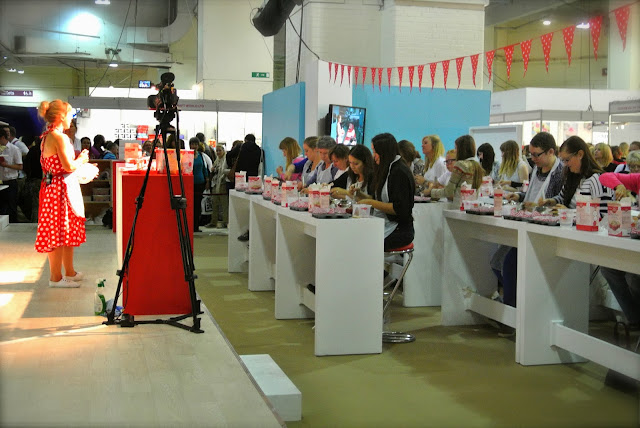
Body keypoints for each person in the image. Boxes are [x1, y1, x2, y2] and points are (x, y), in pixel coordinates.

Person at [495, 132, 564, 317]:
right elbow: (532, 195)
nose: (532, 159)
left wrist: (537, 206)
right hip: (528, 222)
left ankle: (513, 311)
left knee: (508, 263)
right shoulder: (537, 169)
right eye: (531, 154)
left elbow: (555, 203)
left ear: (551, 152)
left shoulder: (560, 173)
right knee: (498, 261)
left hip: (543, 229)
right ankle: (513, 305)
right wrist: (519, 196)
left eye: (536, 155)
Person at [35, 99, 97, 287]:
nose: (72, 119)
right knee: (59, 233)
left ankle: (69, 272)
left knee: (64, 231)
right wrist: (82, 159)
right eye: (70, 115)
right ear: (61, 116)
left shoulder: (47, 136)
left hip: (56, 188)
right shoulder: (59, 137)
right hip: (60, 190)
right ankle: (56, 277)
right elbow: (68, 166)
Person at [357, 133, 414, 251]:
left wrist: (370, 202)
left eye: (375, 152)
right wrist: (359, 195)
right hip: (385, 223)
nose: (374, 156)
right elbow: (378, 200)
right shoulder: (385, 168)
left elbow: (399, 209)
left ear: (384, 152)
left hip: (399, 230)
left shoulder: (399, 172)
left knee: (361, 244)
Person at [540, 136, 614, 217]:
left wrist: (569, 212)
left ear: (580, 154)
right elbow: (562, 198)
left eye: (567, 160)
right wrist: (551, 202)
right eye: (563, 160)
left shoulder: (598, 179)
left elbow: (603, 214)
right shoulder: (572, 176)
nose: (565, 164)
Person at [424, 135, 484, 208]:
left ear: (462, 149)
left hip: (458, 207)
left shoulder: (460, 165)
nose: (455, 151)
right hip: (471, 206)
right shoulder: (477, 165)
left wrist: (431, 192)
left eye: (456, 148)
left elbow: (448, 191)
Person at [0, 127, 23, 222]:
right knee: (2, 206)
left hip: (11, 182)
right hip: (1, 181)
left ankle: (13, 224)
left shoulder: (14, 149)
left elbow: (20, 166)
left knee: (11, 206)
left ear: (2, 137)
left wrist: (6, 165)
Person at [206, 145, 229, 228]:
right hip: (215, 184)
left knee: (224, 205)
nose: (218, 152)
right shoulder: (217, 160)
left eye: (220, 150)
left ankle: (225, 222)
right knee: (214, 204)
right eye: (217, 151)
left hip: (223, 184)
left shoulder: (226, 160)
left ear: (223, 151)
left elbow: (224, 171)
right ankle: (213, 221)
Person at [22, 136, 44, 222]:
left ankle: (36, 222)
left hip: (35, 180)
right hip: (48, 180)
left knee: (36, 204)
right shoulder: (49, 150)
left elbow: (26, 165)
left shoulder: (33, 150)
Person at [190, 137, 208, 232]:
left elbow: (204, 168)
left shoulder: (201, 155)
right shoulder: (187, 155)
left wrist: (207, 180)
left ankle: (196, 226)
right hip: (190, 183)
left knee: (198, 205)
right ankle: (190, 225)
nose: (194, 146)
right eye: (192, 144)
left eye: (196, 144)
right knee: (191, 205)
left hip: (200, 183)